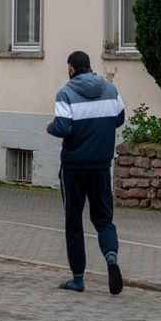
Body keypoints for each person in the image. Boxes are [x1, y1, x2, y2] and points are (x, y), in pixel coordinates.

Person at [46, 50, 126, 295]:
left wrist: (49, 127)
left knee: (74, 220)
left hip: (73, 168)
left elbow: (63, 127)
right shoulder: (110, 89)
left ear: (71, 68)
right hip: (101, 166)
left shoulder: (66, 93)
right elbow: (119, 118)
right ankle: (111, 258)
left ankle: (78, 278)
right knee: (103, 219)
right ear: (89, 66)